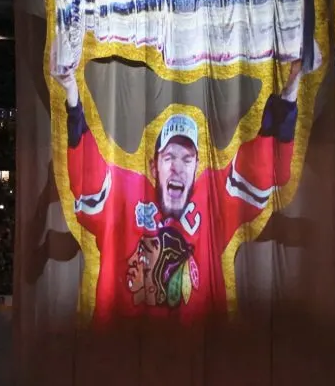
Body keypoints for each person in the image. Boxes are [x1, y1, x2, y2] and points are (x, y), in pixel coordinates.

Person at [52, 39, 319, 323]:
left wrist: (293, 83)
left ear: (197, 168)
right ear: (154, 166)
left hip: (196, 342)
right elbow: (90, 178)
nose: (177, 167)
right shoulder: (127, 194)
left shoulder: (212, 201)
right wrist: (71, 94)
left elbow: (262, 168)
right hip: (127, 338)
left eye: (187, 159)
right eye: (169, 157)